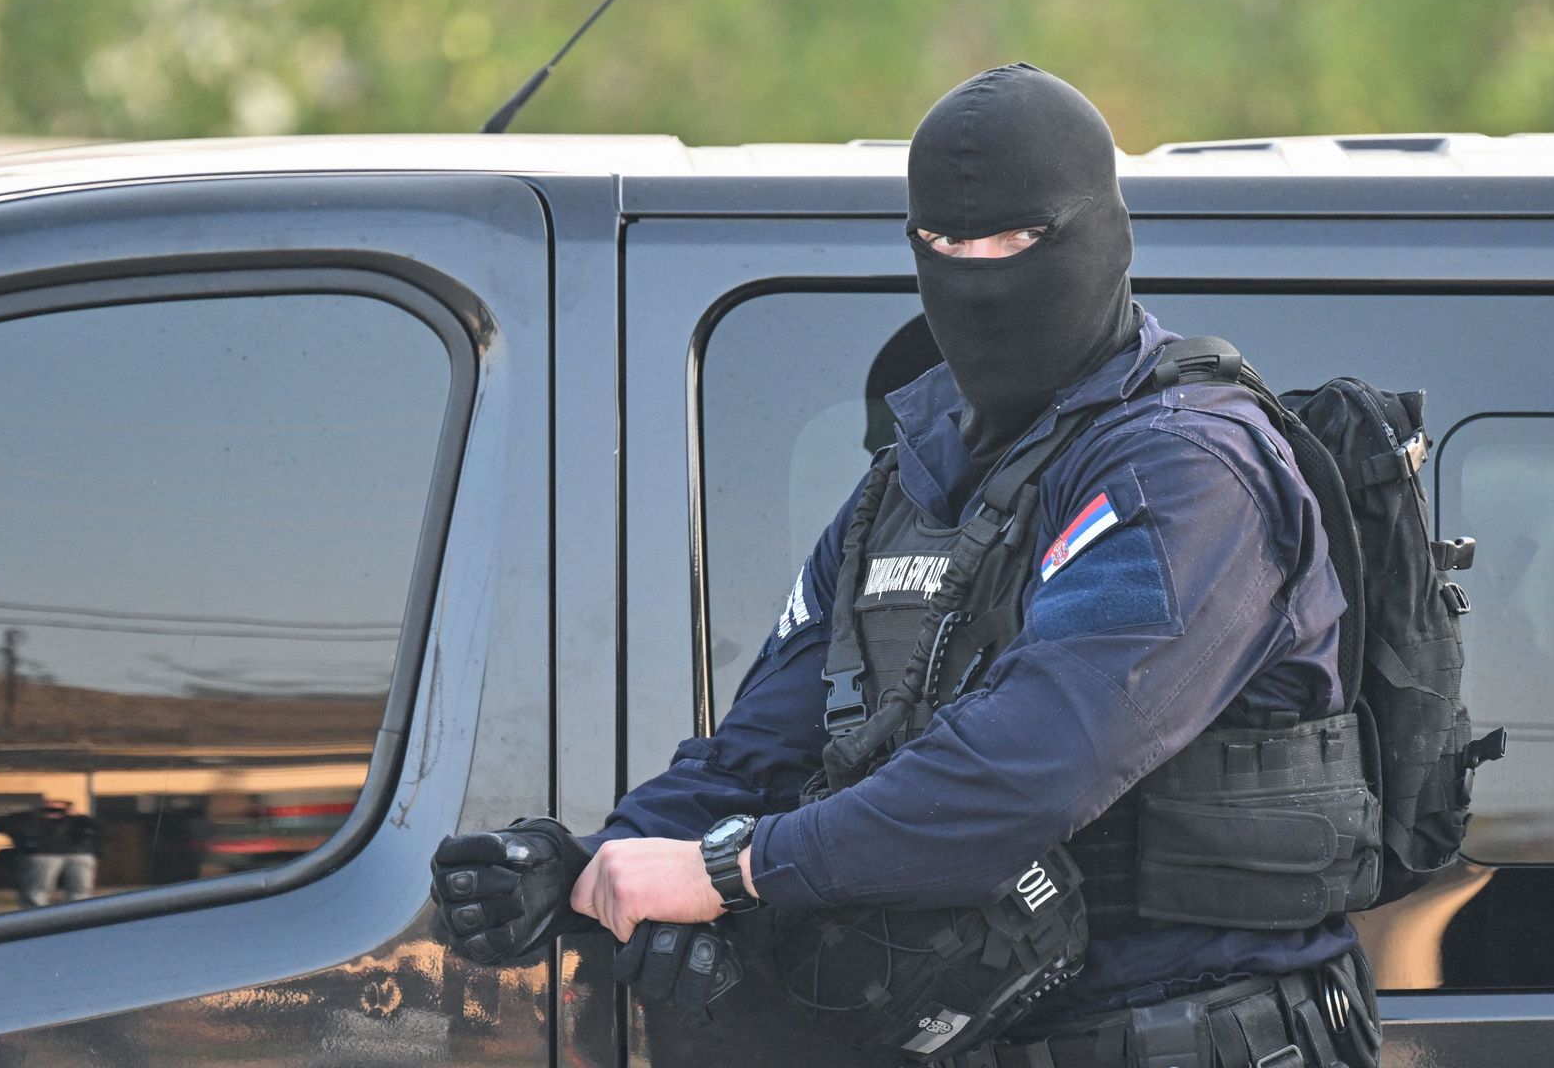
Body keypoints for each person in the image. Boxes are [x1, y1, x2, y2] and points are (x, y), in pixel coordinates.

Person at [432, 63, 1379, 1066]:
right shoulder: (905, 487)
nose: (977, 271)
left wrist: (728, 870)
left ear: (1105, 235)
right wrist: (593, 864)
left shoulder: (1189, 469)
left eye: (1015, 241)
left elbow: (1029, 767)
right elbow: (760, 749)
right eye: (943, 245)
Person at [0, 798, 101, 907]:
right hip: (43, 854)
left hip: (78, 853)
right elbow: (0, 825)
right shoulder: (29, 819)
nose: (55, 812)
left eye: (60, 809)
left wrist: (81, 817)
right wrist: (33, 816)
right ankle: (35, 916)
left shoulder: (77, 821)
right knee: (37, 891)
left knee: (80, 889)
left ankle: (78, 913)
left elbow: (100, 829)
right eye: (50, 808)